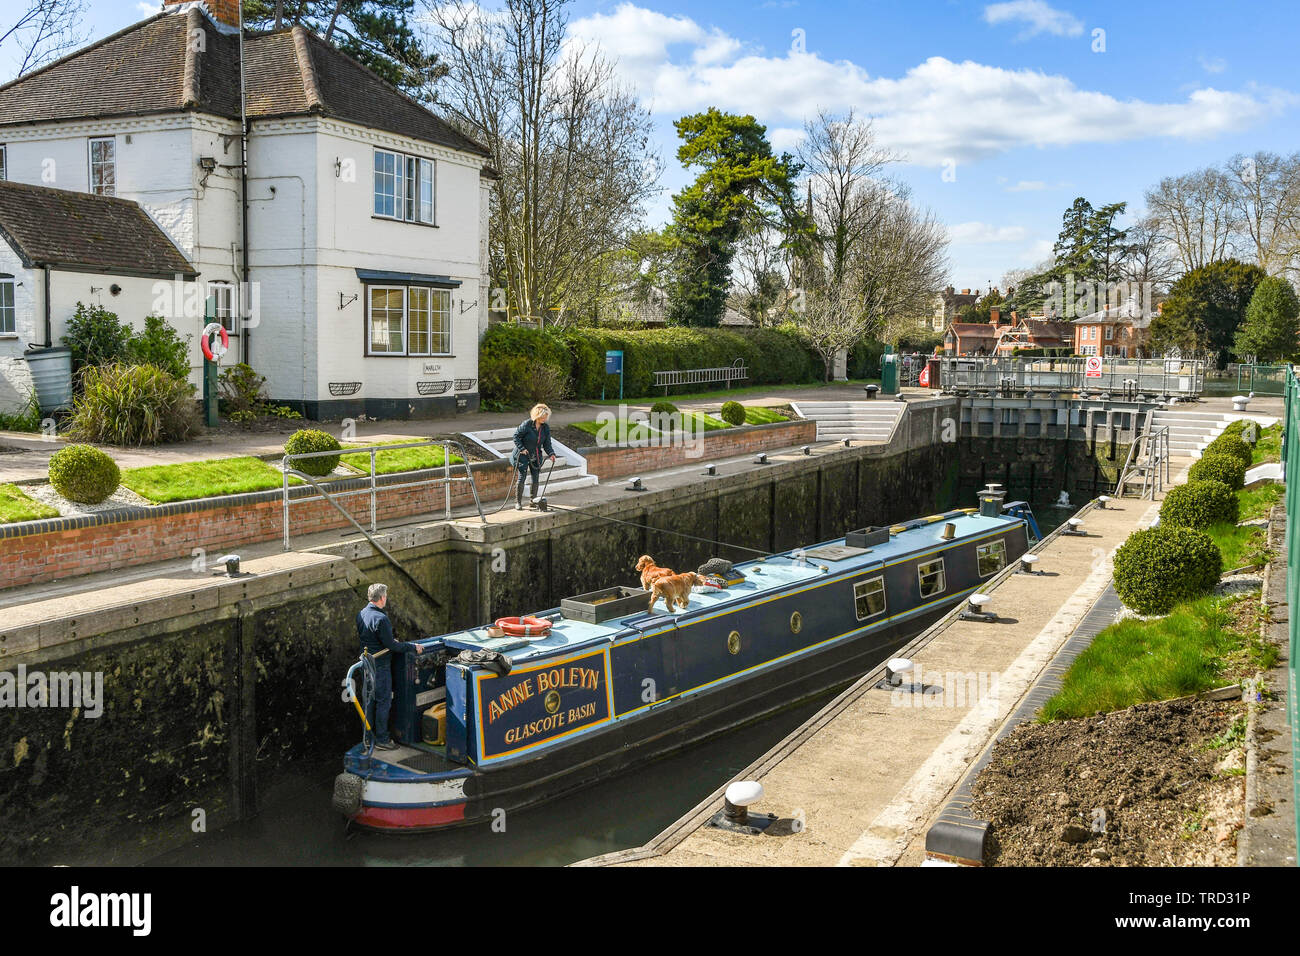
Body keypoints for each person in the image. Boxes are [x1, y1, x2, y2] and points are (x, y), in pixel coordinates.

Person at [355, 583, 423, 750]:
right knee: (383, 702)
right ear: (382, 598)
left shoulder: (361, 614)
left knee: (368, 703)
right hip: (381, 667)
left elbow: (378, 641)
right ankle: (383, 740)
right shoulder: (381, 619)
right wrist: (412, 647)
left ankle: (367, 738)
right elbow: (392, 645)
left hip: (366, 666)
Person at [511, 402, 557, 510]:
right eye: (542, 417)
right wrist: (522, 448)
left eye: (546, 417)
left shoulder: (545, 428)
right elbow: (516, 436)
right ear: (537, 415)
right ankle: (518, 502)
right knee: (522, 477)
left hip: (536, 455)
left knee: (535, 477)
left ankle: (533, 501)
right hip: (523, 454)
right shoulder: (527, 424)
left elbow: (547, 443)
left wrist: (551, 454)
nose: (544, 419)